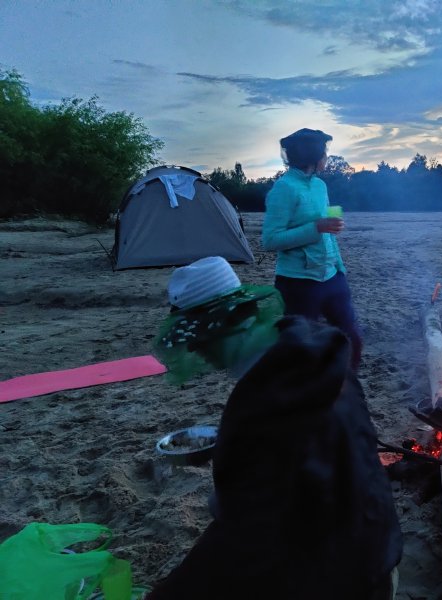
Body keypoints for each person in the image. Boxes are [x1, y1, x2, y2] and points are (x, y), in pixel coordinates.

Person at [149, 258, 403, 599]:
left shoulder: (268, 402)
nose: (195, 348)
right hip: (377, 546)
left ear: (223, 326)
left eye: (199, 336)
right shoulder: (317, 354)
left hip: (343, 579)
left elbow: (246, 541)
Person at [261, 128, 363, 371]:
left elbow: (326, 233)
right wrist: (316, 227)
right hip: (298, 283)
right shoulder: (283, 188)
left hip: (332, 276)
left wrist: (339, 267)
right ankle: (306, 398)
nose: (327, 157)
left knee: (352, 337)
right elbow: (270, 240)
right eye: (325, 152)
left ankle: (346, 386)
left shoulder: (319, 186)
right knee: (302, 350)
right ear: (313, 156)